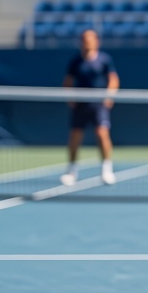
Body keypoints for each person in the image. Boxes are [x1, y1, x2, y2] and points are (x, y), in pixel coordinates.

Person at [61, 28, 119, 186]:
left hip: (99, 104)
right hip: (80, 104)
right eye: (85, 39)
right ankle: (72, 171)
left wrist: (109, 96)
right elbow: (68, 81)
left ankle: (107, 170)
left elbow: (113, 79)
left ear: (96, 41)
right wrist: (70, 97)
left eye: (90, 39)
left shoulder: (104, 59)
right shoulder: (75, 61)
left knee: (102, 134)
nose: (87, 42)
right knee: (75, 136)